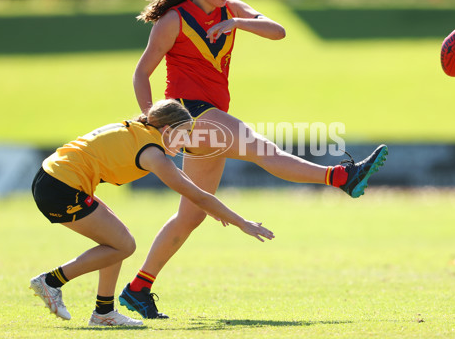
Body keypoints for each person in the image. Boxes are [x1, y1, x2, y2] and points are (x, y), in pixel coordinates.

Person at [119, 0, 388, 319]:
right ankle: (341, 176)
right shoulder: (173, 20)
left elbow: (277, 32)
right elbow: (140, 73)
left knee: (191, 215)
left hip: (209, 116)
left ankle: (138, 288)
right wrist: (154, 120)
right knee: (261, 148)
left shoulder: (232, 10)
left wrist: (238, 24)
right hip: (189, 115)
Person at [29, 99, 275, 326]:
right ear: (167, 129)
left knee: (116, 240)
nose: (185, 142)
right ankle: (51, 282)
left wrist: (210, 207)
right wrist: (243, 223)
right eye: (182, 134)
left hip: (53, 177)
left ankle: (104, 313)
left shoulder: (142, 132)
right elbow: (196, 194)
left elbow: (192, 189)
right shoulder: (152, 153)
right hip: (60, 187)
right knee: (123, 245)